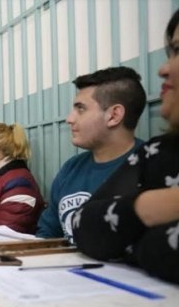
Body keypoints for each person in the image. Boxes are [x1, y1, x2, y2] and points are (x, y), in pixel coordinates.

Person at [72, 9, 179, 285]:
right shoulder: (161, 152)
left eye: (178, 51)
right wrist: (154, 206)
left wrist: (130, 239)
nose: (163, 68)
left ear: (114, 115)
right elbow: (82, 225)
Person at [36, 66, 146, 241]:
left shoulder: (152, 167)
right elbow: (47, 234)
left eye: (81, 109)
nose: (69, 119)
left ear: (113, 115)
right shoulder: (71, 168)